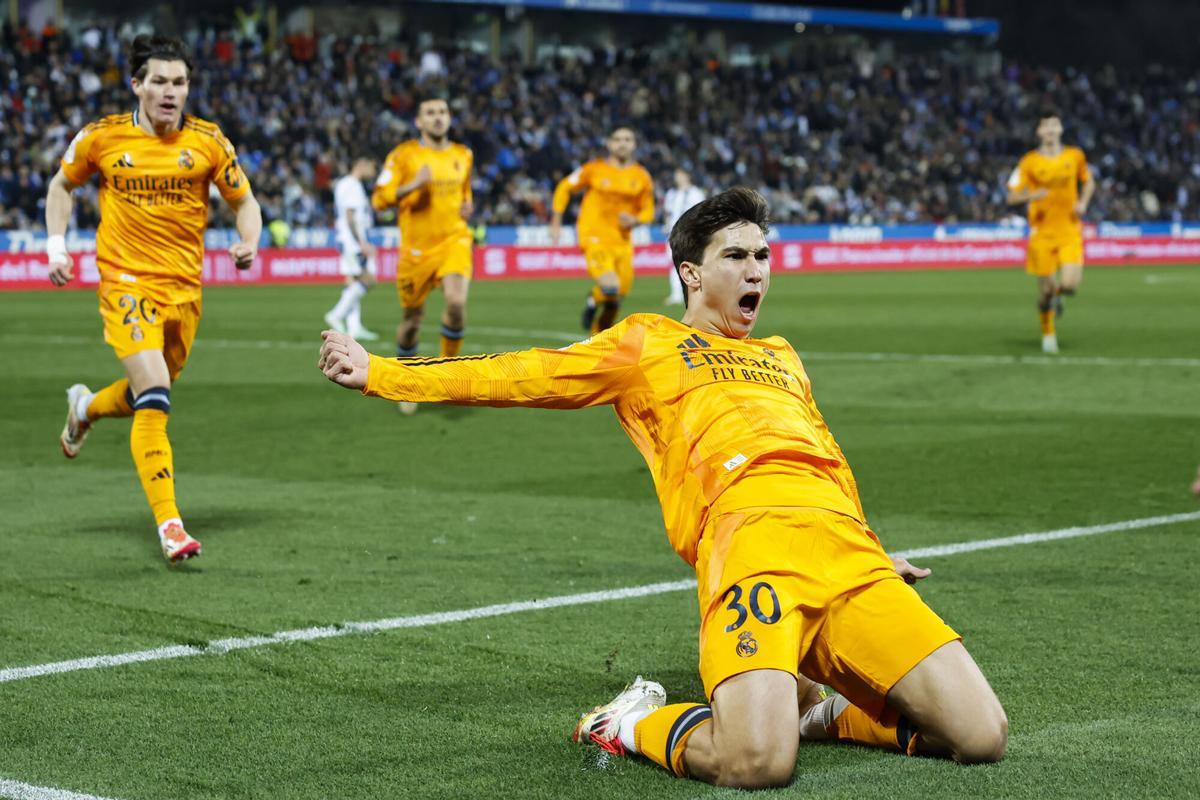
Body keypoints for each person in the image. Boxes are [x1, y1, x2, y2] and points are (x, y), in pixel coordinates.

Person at [318, 188, 1007, 788]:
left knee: (980, 736)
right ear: (691, 273)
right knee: (758, 766)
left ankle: (815, 710)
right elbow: (523, 373)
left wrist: (873, 548)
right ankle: (635, 721)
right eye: (736, 256)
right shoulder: (647, 344)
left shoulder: (782, 357)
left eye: (763, 256)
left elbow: (825, 456)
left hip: (846, 551)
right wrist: (384, 373)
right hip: (750, 549)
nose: (755, 271)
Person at [48, 34, 261, 563]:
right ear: (137, 85)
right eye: (160, 81)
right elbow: (61, 186)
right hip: (126, 283)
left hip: (184, 291)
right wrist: (56, 247)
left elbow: (245, 200)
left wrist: (249, 240)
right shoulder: (102, 138)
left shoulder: (209, 142)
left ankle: (85, 407)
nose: (170, 92)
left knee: (150, 392)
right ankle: (170, 524)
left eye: (180, 82)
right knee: (157, 393)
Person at [371, 95, 474, 414]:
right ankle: (407, 382)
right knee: (412, 321)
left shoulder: (463, 154)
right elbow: (379, 199)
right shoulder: (404, 156)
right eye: (430, 113)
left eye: (443, 111)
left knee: (456, 302)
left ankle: (447, 376)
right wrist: (414, 185)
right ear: (419, 121)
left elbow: (465, 191)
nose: (438, 117)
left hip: (455, 240)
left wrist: (468, 205)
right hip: (416, 252)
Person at [550, 126, 654, 333]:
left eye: (627, 139)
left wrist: (635, 220)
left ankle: (598, 340)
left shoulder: (641, 176)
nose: (622, 143)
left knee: (616, 299)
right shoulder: (594, 169)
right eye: (617, 139)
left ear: (634, 145)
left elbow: (648, 211)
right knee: (610, 287)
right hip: (594, 236)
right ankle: (594, 299)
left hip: (623, 243)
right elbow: (564, 187)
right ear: (609, 144)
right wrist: (556, 220)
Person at [1007, 111, 1095, 354]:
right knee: (1045, 291)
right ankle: (1048, 335)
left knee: (1070, 285)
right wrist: (1031, 195)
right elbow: (1012, 195)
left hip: (1069, 230)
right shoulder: (1029, 162)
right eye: (1045, 126)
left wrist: (1083, 203)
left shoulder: (1074, 156)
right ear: (1038, 132)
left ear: (1061, 129)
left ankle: (1059, 298)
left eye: (1054, 124)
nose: (1050, 129)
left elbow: (1088, 181)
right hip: (1041, 234)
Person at [324, 156, 379, 340]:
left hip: (346, 239)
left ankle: (354, 328)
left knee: (353, 281)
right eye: (372, 167)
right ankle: (336, 315)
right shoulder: (353, 186)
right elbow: (349, 215)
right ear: (361, 164)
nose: (373, 172)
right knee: (368, 279)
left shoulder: (343, 183)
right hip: (352, 242)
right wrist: (362, 242)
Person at [662, 167, 705, 306]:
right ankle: (676, 294)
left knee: (693, 264)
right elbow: (668, 213)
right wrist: (666, 225)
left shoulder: (695, 193)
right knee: (674, 264)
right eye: (676, 174)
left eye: (680, 174)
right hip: (672, 234)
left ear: (687, 176)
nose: (677, 177)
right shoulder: (671, 193)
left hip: (689, 233)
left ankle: (696, 291)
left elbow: (700, 213)